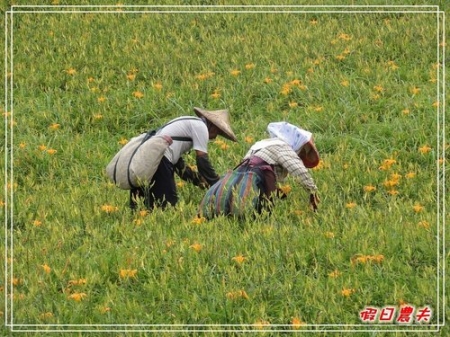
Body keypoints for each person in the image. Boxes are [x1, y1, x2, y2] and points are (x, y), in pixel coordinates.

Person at [199, 121, 320, 218]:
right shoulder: (283, 147)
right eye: (303, 150)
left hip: (244, 174)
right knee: (263, 211)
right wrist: (312, 191)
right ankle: (261, 220)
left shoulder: (262, 144)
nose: (301, 154)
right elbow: (299, 170)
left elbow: (248, 166)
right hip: (260, 176)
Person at [130, 107, 238, 210]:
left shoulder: (189, 123)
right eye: (217, 133)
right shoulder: (201, 127)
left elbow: (178, 165)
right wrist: (217, 185)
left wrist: (198, 180)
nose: (214, 137)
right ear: (213, 126)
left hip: (148, 157)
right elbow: (202, 161)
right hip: (161, 159)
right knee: (168, 204)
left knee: (143, 201)